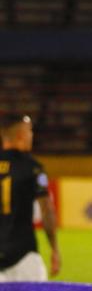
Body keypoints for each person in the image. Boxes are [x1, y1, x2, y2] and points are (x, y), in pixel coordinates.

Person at [0, 114, 60, 282]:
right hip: (24, 256)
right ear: (21, 135)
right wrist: (54, 248)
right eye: (30, 131)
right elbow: (47, 209)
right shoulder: (33, 168)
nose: (31, 135)